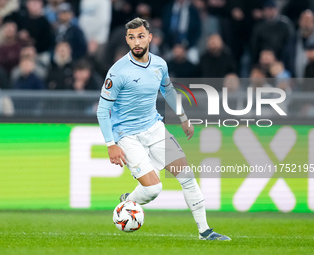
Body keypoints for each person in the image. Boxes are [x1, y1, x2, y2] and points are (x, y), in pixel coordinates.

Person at [96, 17, 231, 241]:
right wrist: (111, 144)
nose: (137, 42)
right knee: (153, 190)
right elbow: (103, 110)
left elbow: (167, 90)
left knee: (187, 177)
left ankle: (205, 232)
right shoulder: (118, 71)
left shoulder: (159, 64)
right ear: (127, 40)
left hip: (154, 127)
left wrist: (183, 117)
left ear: (150, 37)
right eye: (132, 38)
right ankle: (129, 200)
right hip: (127, 135)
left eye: (141, 36)